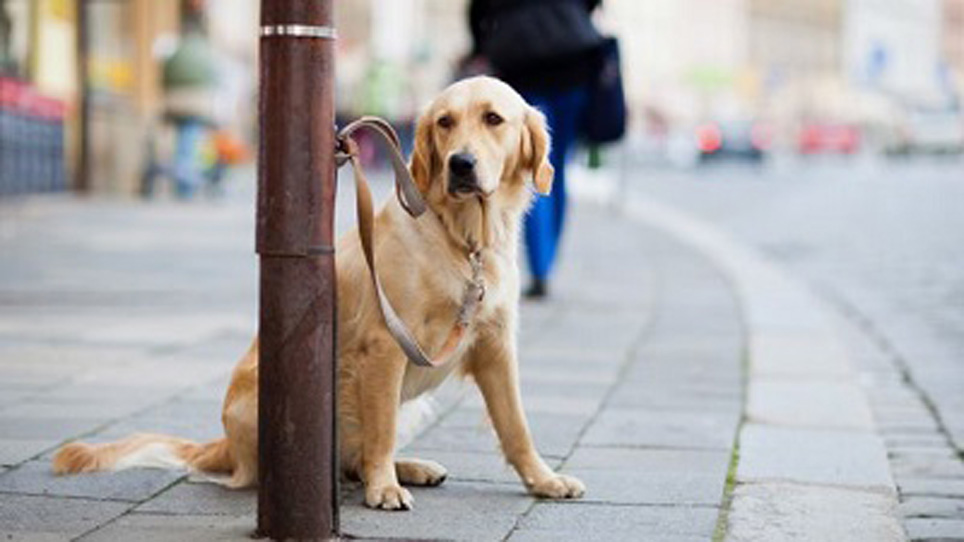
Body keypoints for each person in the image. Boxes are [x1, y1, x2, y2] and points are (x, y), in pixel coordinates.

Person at [468, 0, 604, 299]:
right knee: (556, 166)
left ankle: (541, 267)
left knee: (532, 170)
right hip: (573, 64)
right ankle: (548, 261)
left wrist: (481, 45)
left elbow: (478, 11)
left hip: (522, 65)